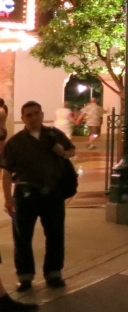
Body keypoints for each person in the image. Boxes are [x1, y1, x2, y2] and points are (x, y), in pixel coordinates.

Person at [1, 102, 76, 291]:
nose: (33, 118)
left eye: (36, 114)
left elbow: (71, 150)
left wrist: (64, 153)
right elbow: (7, 172)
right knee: (22, 237)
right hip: (25, 195)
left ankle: (54, 273)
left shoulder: (53, 135)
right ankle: (25, 276)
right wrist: (8, 199)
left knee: (55, 234)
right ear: (23, 118)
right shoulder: (16, 142)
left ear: (42, 114)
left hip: (52, 193)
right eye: (28, 115)